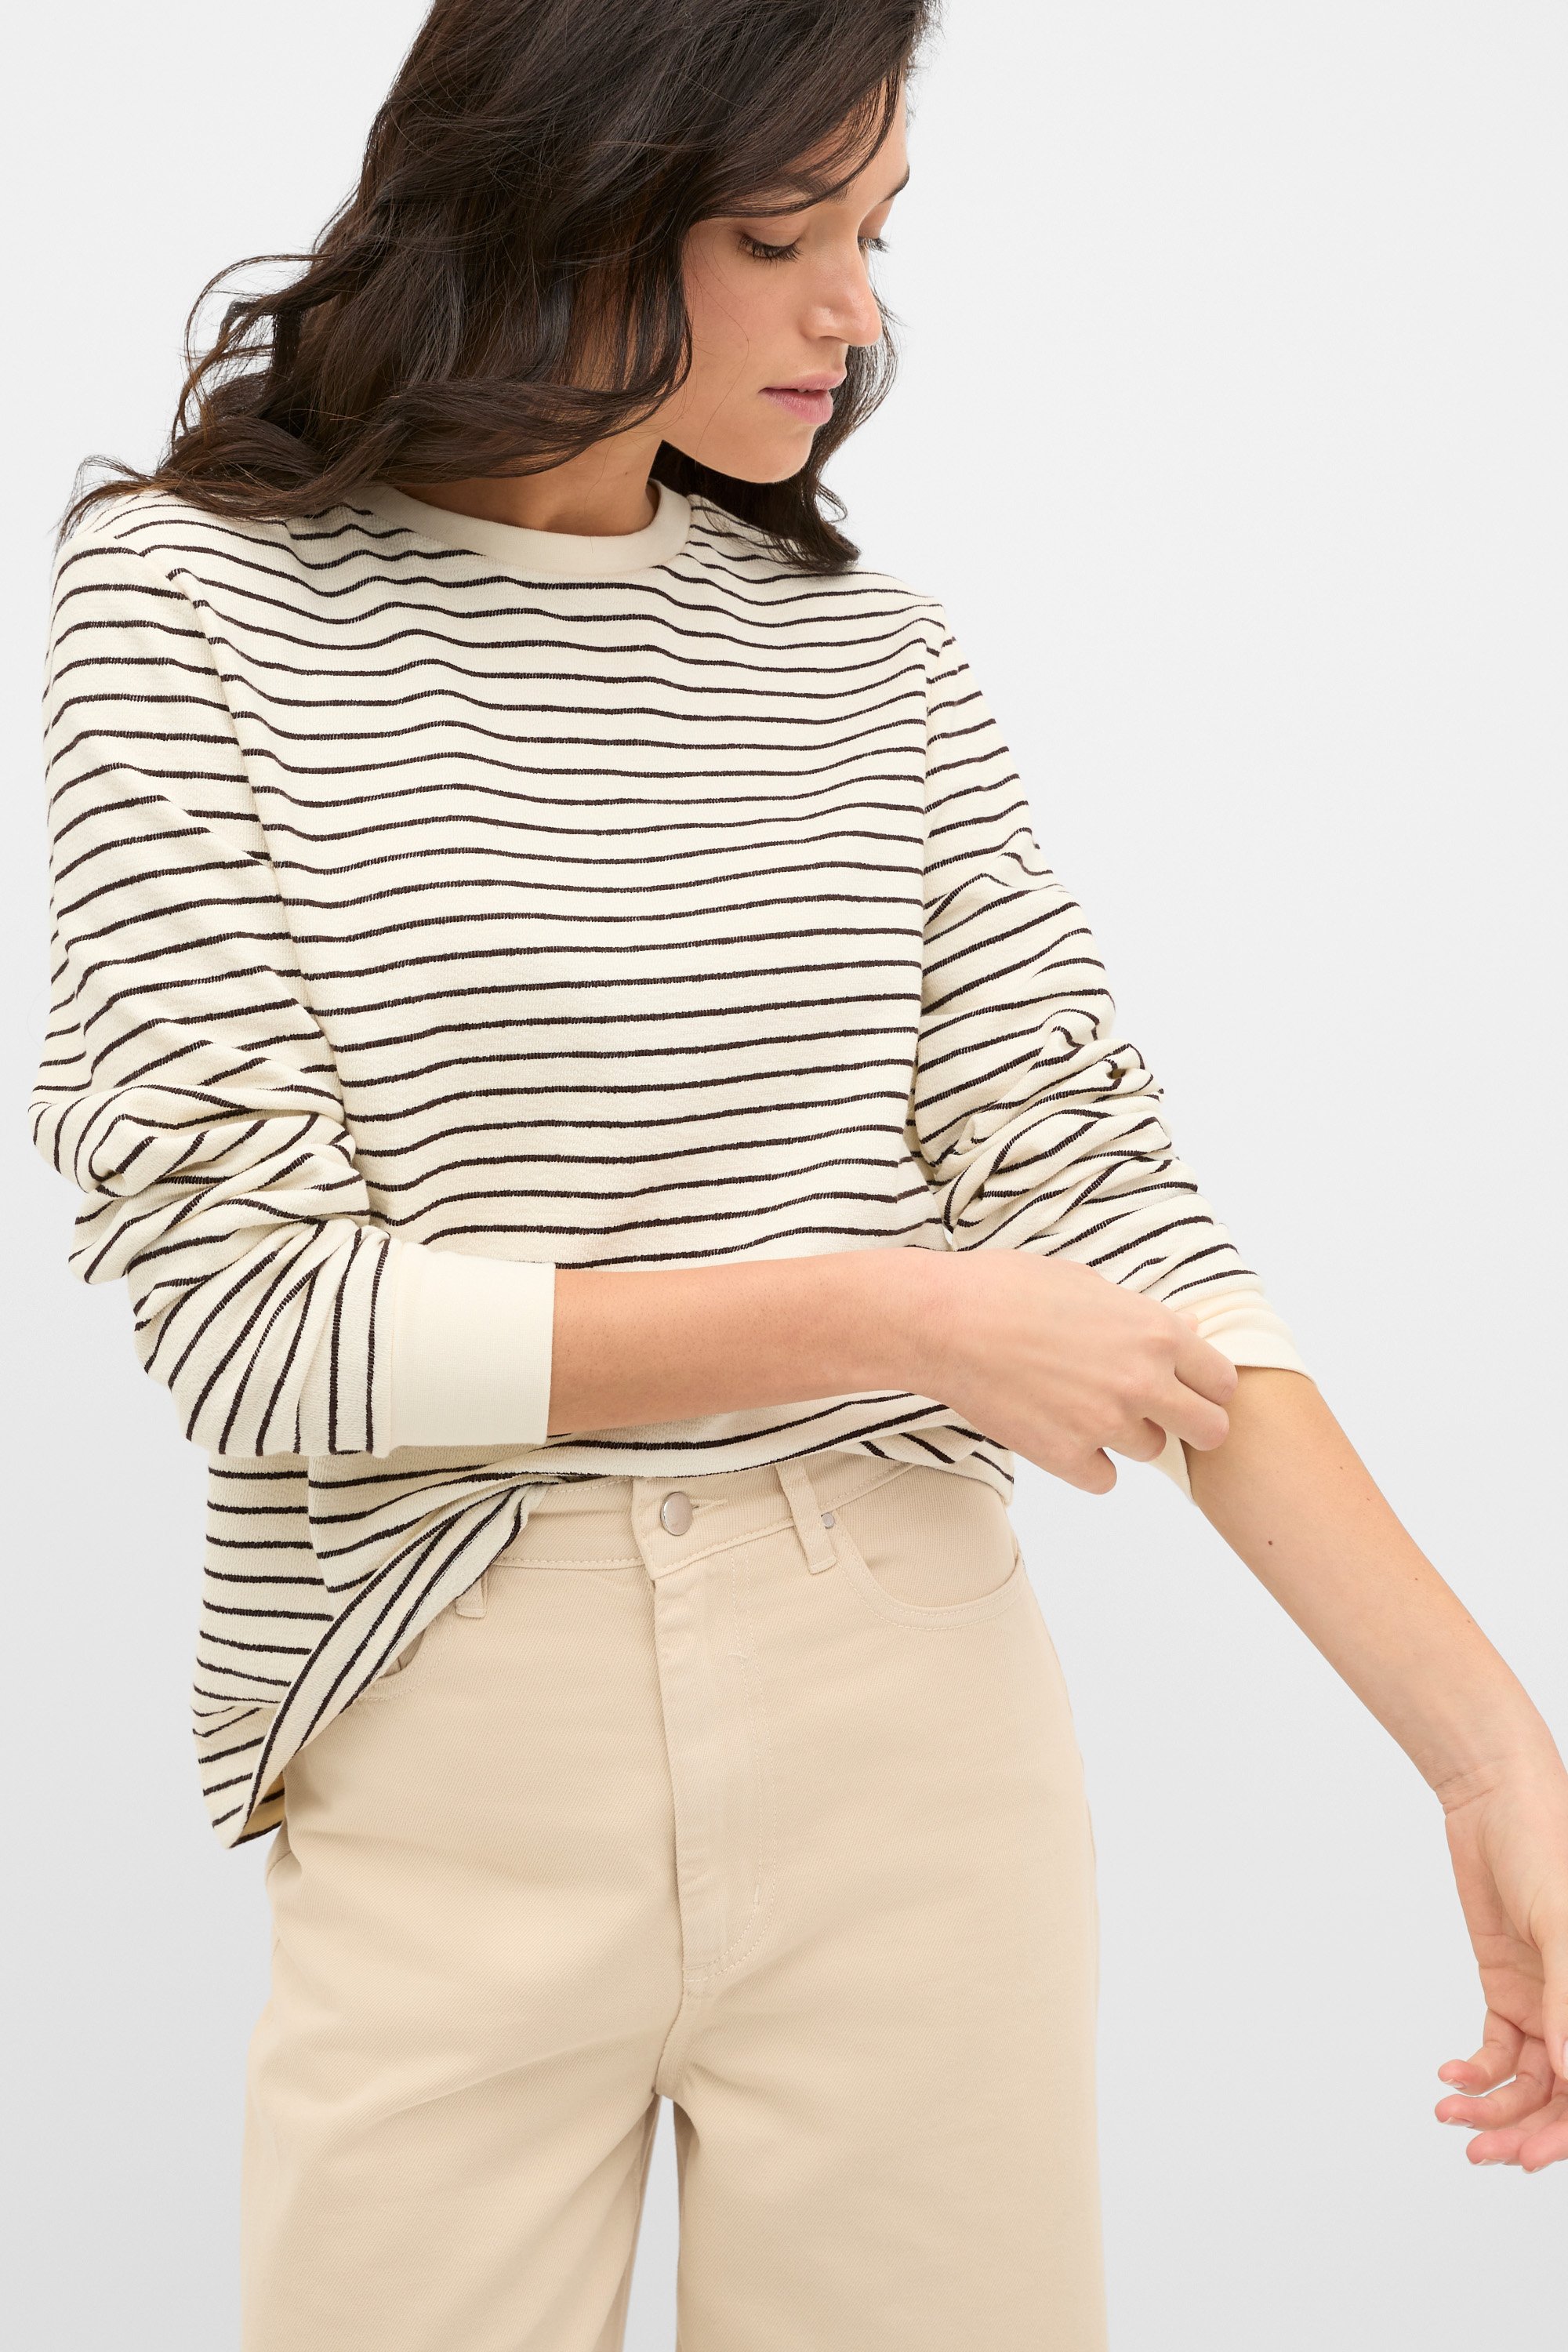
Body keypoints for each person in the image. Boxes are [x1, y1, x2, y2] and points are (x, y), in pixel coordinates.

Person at [28, 2, 1568, 2346]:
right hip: (444, 1706)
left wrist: (1492, 1756)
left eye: (875, 234)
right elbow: (254, 1325)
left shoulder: (876, 665)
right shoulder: (189, 607)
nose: (852, 312)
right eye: (777, 238)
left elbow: (1112, 1208)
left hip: (910, 1723)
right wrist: (895, 1308)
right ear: (561, 198)